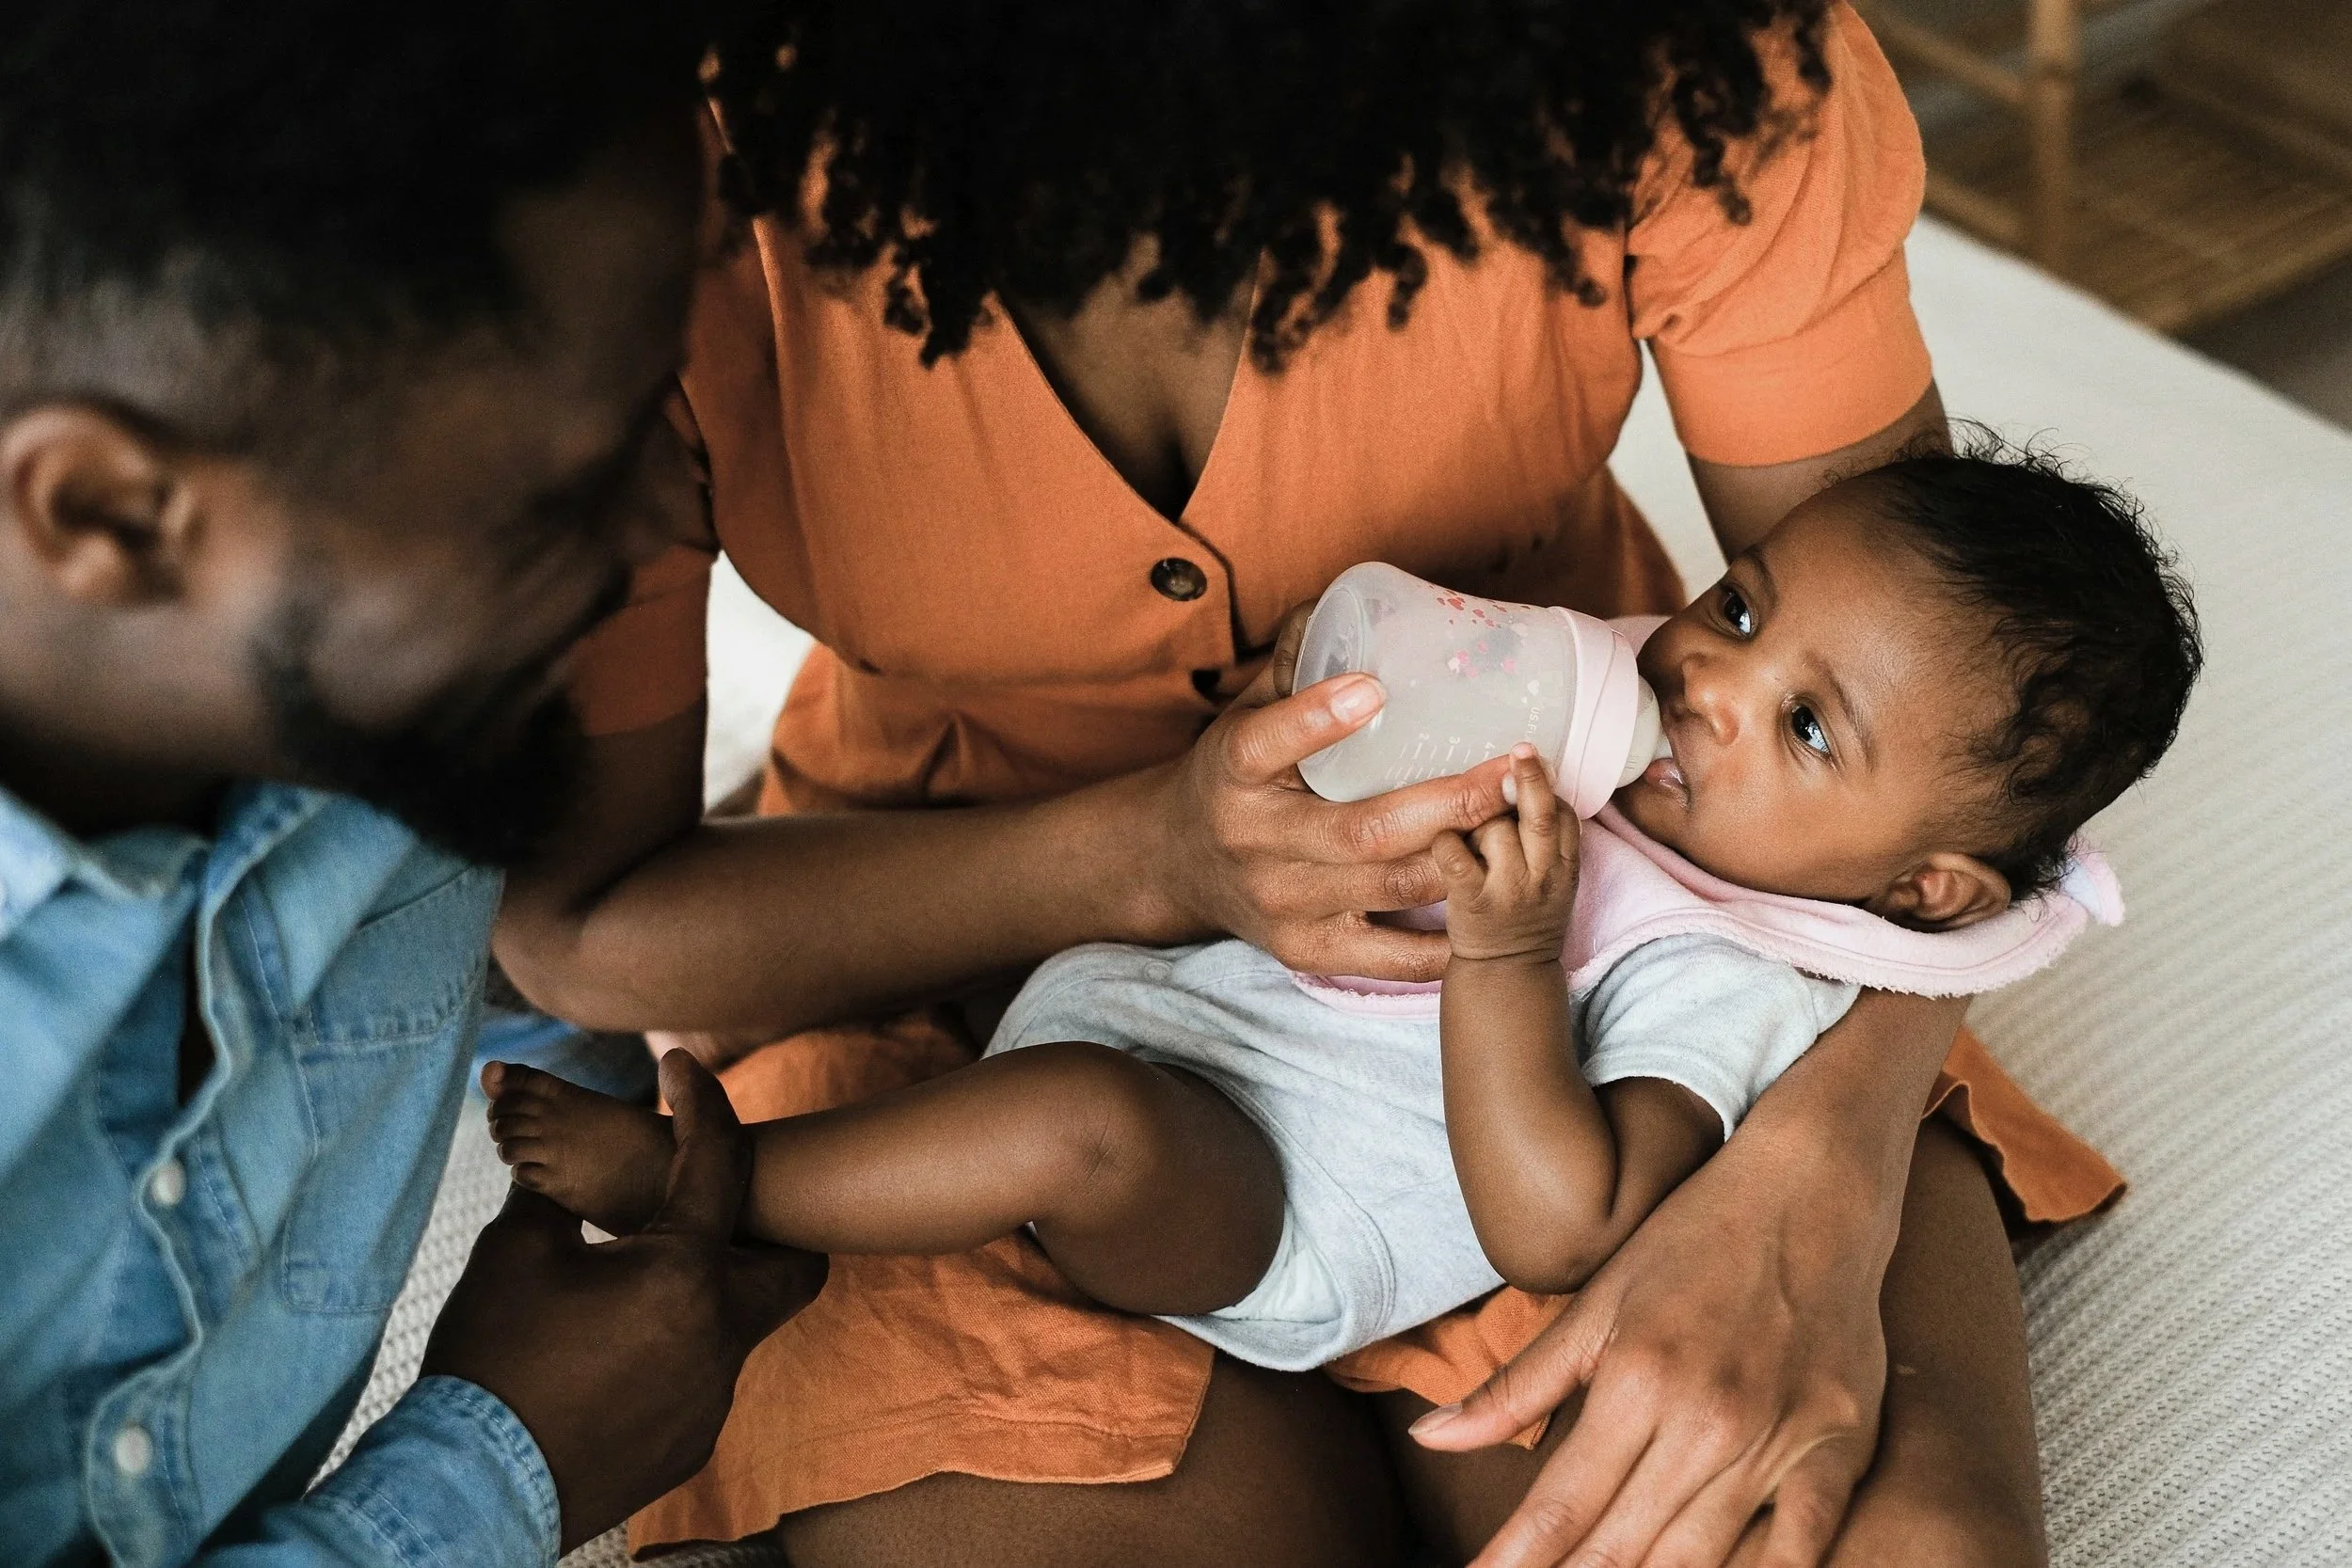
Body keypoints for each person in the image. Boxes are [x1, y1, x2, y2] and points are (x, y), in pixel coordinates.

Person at [497, 4, 2125, 1563]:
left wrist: (1813, 1173)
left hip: (1626, 998)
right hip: (961, 973)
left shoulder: (1672, 51)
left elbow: (1962, 736)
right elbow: (586, 923)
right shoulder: (659, 163)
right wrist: (1151, 858)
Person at [485, 442, 2198, 1390]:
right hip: (1182, 991)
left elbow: (1560, 1218)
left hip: (1281, 1199)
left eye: (1808, 725)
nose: (1710, 683)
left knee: (1072, 1131)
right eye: (1741, 605)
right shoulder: (1626, 734)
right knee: (1025, 1027)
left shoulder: (1739, 975)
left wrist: (1514, 958)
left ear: (1921, 888)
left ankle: (722, 1187)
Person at [0, 5, 822, 1563]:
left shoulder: (414, 720)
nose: (666, 515)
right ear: (110, 513)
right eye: (560, 488)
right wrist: (490, 1469)